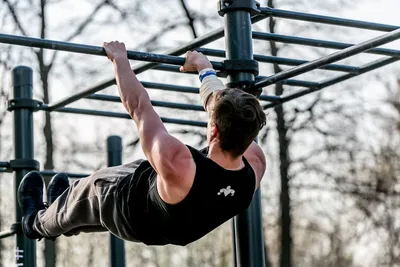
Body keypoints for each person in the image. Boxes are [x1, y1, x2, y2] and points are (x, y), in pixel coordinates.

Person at [17, 41, 267, 246]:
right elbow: (219, 107)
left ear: (213, 128)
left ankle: (36, 224)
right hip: (165, 221)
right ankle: (60, 214)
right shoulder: (255, 164)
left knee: (87, 191)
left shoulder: (178, 162)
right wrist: (204, 68)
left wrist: (120, 60)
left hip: (128, 209)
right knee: (78, 207)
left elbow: (138, 106)